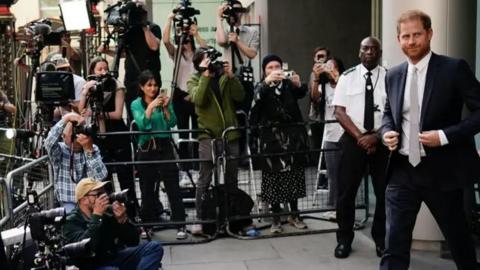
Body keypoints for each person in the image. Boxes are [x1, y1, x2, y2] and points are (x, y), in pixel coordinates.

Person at [380, 10, 480, 270]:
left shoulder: (453, 68)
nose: (411, 41)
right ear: (398, 39)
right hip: (402, 170)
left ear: (429, 34)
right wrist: (386, 132)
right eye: (405, 36)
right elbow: (389, 113)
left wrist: (445, 136)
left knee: (458, 239)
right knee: (394, 244)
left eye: (416, 35)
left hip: (443, 170)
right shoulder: (393, 75)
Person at [332, 37, 388, 258]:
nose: (370, 52)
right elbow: (339, 112)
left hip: (382, 141)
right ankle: (344, 239)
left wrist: (376, 137)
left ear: (380, 52)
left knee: (384, 194)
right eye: (366, 48)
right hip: (352, 141)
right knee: (346, 194)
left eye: (374, 49)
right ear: (359, 52)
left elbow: (395, 111)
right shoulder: (347, 77)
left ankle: (381, 240)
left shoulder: (390, 77)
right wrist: (362, 138)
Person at [187, 47, 244, 234]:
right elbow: (199, 99)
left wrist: (231, 76)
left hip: (230, 134)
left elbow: (240, 96)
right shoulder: (194, 79)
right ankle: (201, 218)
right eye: (205, 59)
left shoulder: (223, 75)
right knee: (205, 177)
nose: (210, 62)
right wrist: (205, 75)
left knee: (232, 178)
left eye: (211, 58)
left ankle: (232, 218)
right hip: (208, 136)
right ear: (198, 64)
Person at [250, 54, 309, 233]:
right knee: (273, 178)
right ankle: (276, 219)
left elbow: (302, 93)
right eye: (270, 67)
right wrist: (265, 83)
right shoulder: (261, 87)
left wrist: (299, 84)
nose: (275, 70)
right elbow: (254, 106)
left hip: (292, 139)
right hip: (271, 140)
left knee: (294, 176)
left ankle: (295, 214)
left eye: (277, 66)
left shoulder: (288, 84)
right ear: (264, 71)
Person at [78, 57, 139, 219]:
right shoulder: (89, 87)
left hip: (117, 136)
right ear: (92, 72)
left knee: (125, 179)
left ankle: (132, 217)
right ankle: (109, 218)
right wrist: (85, 92)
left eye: (105, 68)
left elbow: (118, 114)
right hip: (99, 137)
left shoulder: (116, 85)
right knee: (104, 182)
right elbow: (81, 111)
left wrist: (97, 115)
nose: (103, 72)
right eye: (99, 69)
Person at [131, 70, 187, 239]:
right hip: (147, 147)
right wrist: (150, 106)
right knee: (147, 188)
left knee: (173, 186)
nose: (153, 89)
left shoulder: (164, 101)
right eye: (149, 85)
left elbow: (172, 122)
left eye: (155, 85)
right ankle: (147, 225)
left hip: (164, 145)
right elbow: (142, 124)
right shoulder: (136, 104)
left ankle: (180, 225)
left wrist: (165, 108)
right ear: (142, 87)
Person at [63, 177, 163, 269]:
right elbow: (87, 248)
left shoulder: (107, 212)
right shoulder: (71, 221)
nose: (104, 197)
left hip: (112, 258)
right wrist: (96, 216)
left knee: (154, 247)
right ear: (84, 200)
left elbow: (133, 241)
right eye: (98, 195)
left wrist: (122, 220)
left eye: (104, 193)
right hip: (91, 265)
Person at [99, 0, 161, 121]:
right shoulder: (128, 31)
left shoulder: (152, 28)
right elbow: (124, 54)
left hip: (150, 82)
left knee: (152, 116)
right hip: (132, 81)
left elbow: (154, 46)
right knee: (133, 117)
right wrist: (106, 50)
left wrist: (144, 26)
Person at [163, 12, 207, 184]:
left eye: (187, 31)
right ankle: (184, 170)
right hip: (180, 96)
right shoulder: (177, 52)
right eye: (182, 31)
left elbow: (207, 52)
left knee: (196, 134)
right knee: (182, 134)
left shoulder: (198, 53)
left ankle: (196, 168)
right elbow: (165, 41)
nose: (185, 34)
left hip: (195, 94)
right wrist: (170, 20)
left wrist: (196, 33)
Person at [44, 112, 108, 213]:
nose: (76, 137)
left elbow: (101, 176)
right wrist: (66, 118)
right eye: (73, 133)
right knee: (71, 217)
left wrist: (88, 150)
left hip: (91, 200)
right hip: (69, 201)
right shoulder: (60, 149)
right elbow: (49, 142)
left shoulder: (92, 148)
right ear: (64, 136)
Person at [310, 57, 344, 209]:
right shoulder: (324, 87)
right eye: (327, 66)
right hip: (330, 134)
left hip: (347, 133)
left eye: (333, 66)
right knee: (332, 174)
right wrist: (316, 77)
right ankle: (333, 206)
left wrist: (338, 77)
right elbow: (314, 98)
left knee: (346, 173)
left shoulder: (346, 84)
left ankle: (343, 205)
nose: (329, 69)